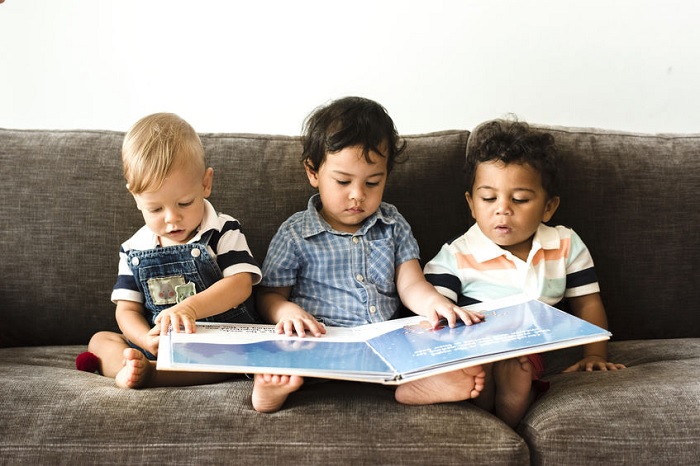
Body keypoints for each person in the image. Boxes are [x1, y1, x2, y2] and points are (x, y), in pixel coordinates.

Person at [251, 96, 487, 413]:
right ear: (313, 172)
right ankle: (272, 390)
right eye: (343, 181)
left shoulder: (393, 225)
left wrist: (435, 305)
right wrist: (285, 312)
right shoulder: (295, 233)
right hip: (320, 345)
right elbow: (268, 296)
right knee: (279, 350)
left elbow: (411, 284)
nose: (358, 195)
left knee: (432, 341)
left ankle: (415, 383)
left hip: (386, 346)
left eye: (373, 182)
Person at [424, 118, 626, 427]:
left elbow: (588, 303)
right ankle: (486, 391)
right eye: (488, 198)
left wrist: (595, 353)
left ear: (548, 207)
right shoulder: (456, 254)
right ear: (472, 205)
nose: (502, 209)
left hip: (532, 347)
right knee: (481, 364)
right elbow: (435, 314)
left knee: (519, 366)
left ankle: (511, 401)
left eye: (519, 199)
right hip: (478, 343)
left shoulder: (564, 244)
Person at [86, 113, 262, 388]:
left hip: (216, 342)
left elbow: (240, 285)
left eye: (184, 203)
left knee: (235, 356)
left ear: (206, 183)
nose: (171, 219)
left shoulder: (222, 230)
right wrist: (145, 339)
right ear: (136, 198)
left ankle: (154, 374)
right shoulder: (134, 249)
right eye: (155, 209)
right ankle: (131, 366)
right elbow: (126, 310)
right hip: (158, 344)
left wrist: (190, 308)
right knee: (99, 340)